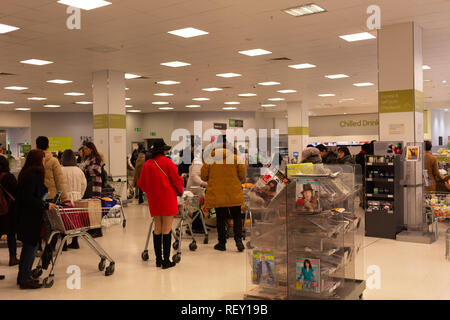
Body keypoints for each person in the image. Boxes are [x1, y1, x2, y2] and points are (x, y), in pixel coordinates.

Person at [138, 140, 184, 269]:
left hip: (154, 200)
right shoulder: (168, 162)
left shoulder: (147, 164)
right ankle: (166, 261)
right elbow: (176, 179)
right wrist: (180, 191)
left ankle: (158, 260)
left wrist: (152, 191)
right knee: (167, 228)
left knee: (157, 228)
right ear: (163, 150)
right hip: (167, 198)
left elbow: (141, 183)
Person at [15, 149, 57, 289]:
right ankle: (25, 279)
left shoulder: (26, 174)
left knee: (29, 247)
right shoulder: (32, 176)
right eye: (43, 159)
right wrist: (45, 204)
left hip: (26, 216)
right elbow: (29, 198)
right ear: (38, 160)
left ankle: (23, 277)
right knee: (30, 248)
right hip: (30, 217)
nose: (44, 161)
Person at [201, 142, 246, 252]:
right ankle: (238, 241)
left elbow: (204, 176)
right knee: (237, 218)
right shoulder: (236, 158)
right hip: (234, 193)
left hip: (217, 193)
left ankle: (222, 243)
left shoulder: (209, 159)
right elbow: (242, 176)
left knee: (221, 218)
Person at [61, 149, 87, 249]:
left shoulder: (61, 170)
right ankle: (75, 241)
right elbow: (83, 185)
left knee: (64, 220)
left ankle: (64, 243)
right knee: (76, 220)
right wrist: (80, 195)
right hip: (77, 198)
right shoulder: (78, 170)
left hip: (64, 198)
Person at [0, 156, 20, 267]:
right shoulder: (9, 177)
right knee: (11, 234)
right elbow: (17, 192)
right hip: (8, 210)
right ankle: (12, 258)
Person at [35, 136, 68, 202]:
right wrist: (64, 197)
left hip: (36, 197)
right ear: (48, 146)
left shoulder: (32, 160)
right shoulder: (54, 161)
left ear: (36, 146)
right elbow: (59, 181)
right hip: (51, 196)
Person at [82, 142, 104, 238]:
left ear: (91, 149)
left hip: (95, 186)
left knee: (95, 208)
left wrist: (85, 170)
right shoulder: (87, 159)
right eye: (84, 149)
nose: (84, 150)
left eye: (86, 148)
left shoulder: (97, 159)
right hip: (89, 186)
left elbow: (96, 171)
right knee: (90, 208)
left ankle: (98, 230)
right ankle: (91, 229)